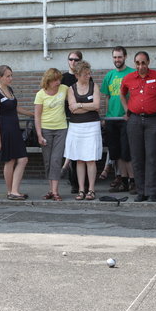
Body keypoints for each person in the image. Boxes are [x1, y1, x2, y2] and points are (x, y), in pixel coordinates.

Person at [120, 51, 156, 202]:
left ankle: (152, 193)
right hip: (134, 120)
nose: (140, 66)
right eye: (137, 63)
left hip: (153, 121)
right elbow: (122, 94)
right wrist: (126, 110)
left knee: (151, 157)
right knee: (136, 157)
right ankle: (141, 191)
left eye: (143, 63)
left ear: (148, 62)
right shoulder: (128, 78)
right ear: (134, 63)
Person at [0, 65, 34, 200]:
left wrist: (33, 114)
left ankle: (13, 191)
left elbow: (16, 108)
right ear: (0, 77)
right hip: (5, 130)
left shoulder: (9, 90)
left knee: (22, 159)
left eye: (11, 75)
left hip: (15, 128)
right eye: (8, 76)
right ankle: (11, 191)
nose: (11, 78)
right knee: (10, 160)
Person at [100, 46, 136, 194]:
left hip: (126, 118)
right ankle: (123, 180)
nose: (117, 60)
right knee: (116, 152)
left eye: (119, 57)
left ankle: (133, 180)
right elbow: (107, 97)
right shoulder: (109, 76)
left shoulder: (132, 74)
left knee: (127, 151)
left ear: (125, 57)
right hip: (111, 119)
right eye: (115, 57)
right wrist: (105, 115)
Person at [65, 61, 102, 200]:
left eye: (89, 73)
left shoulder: (94, 86)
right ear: (77, 75)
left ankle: (91, 189)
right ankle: (81, 189)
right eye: (85, 74)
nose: (88, 76)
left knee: (90, 159)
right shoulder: (71, 89)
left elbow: (97, 105)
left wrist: (80, 105)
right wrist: (88, 106)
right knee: (79, 159)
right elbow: (72, 108)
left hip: (92, 126)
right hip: (76, 127)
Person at [34, 68, 68, 201]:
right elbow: (37, 116)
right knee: (48, 161)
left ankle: (55, 191)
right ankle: (51, 190)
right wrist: (39, 135)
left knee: (56, 159)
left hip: (61, 129)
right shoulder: (40, 94)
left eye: (59, 79)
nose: (58, 82)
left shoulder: (64, 89)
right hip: (46, 129)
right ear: (48, 81)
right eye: (55, 80)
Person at [61, 50, 82, 193]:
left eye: (76, 59)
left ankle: (80, 182)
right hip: (66, 118)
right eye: (70, 59)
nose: (73, 62)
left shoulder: (84, 77)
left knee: (79, 152)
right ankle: (73, 181)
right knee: (71, 150)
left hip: (81, 117)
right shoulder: (62, 78)